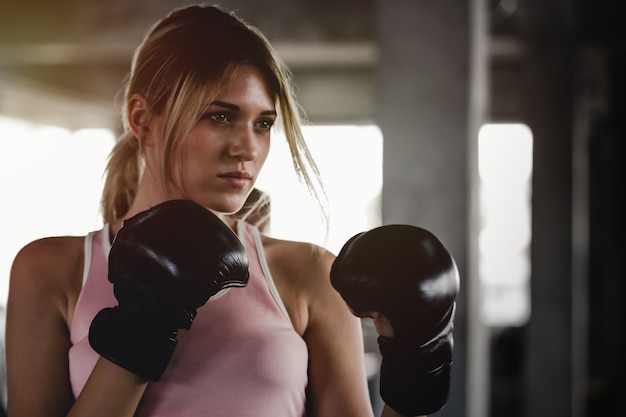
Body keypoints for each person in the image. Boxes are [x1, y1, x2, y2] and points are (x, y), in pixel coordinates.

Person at [5, 4, 456, 417]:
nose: (247, 148)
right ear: (142, 120)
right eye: (220, 116)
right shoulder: (52, 270)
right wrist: (140, 328)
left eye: (263, 124)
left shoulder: (309, 273)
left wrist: (418, 361)